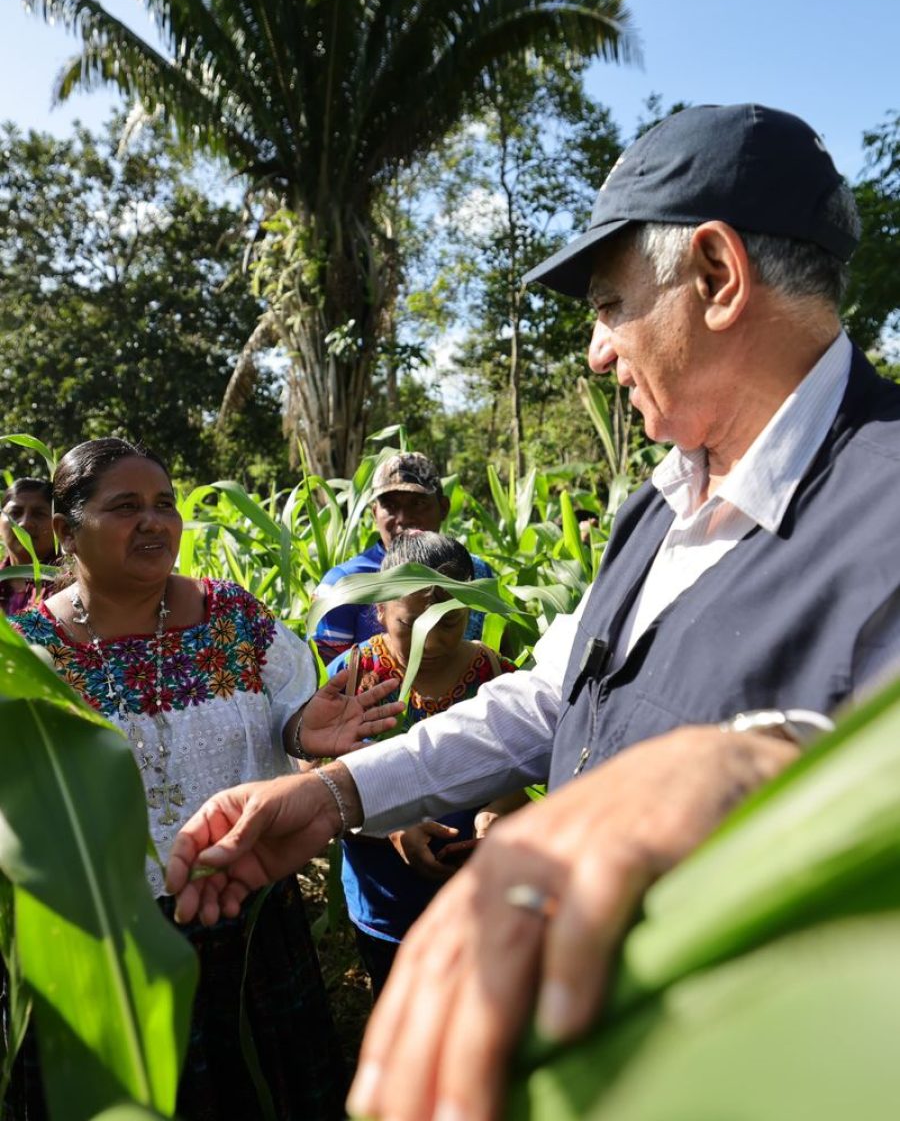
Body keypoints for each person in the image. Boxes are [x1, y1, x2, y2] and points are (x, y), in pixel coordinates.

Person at [165, 104, 900, 1118]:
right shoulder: (658, 507)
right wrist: (336, 794)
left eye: (610, 305)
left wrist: (756, 762)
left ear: (716, 276)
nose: (598, 351)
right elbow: (551, 698)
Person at [6, 437, 403, 1121]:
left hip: (244, 919)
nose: (153, 521)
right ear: (67, 531)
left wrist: (302, 730)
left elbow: (287, 713)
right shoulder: (28, 654)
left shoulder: (233, 617)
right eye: (125, 507)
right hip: (108, 941)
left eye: (164, 504)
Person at [327, 532, 519, 997]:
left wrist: (498, 811)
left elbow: (519, 766)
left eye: (449, 622)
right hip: (387, 901)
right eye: (411, 624)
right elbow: (318, 774)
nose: (430, 641)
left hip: (475, 893)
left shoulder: (496, 677)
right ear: (379, 610)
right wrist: (391, 824)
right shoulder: (352, 678)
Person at [311, 451, 494, 662]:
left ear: (443, 508)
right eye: (390, 506)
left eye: (418, 504)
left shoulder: (476, 573)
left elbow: (497, 649)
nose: (403, 518)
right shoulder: (343, 585)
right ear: (374, 513)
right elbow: (324, 674)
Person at [0, 478, 56, 615]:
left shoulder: (67, 585)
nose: (24, 523)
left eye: (39, 514)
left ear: (58, 525)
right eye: (15, 513)